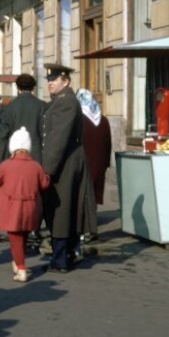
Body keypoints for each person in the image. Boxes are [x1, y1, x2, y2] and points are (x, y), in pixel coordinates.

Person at [0, 127, 50, 283]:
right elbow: (44, 184)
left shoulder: (6, 166)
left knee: (15, 238)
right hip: (31, 208)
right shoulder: (36, 166)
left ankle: (21, 268)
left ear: (13, 147)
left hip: (12, 208)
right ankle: (17, 261)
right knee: (24, 235)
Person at [40, 63, 87, 273]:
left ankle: (60, 259)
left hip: (64, 163)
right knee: (64, 208)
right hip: (65, 161)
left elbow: (57, 139)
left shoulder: (65, 102)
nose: (50, 83)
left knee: (61, 209)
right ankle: (68, 252)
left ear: (65, 81)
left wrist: (47, 170)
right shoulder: (60, 101)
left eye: (54, 79)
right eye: (48, 79)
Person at [76, 88, 112, 244]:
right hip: (99, 163)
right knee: (94, 194)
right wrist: (105, 163)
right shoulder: (103, 120)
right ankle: (92, 223)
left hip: (83, 163)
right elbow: (108, 144)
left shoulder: (79, 120)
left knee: (82, 195)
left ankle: (84, 228)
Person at [0, 74, 47, 166]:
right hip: (37, 158)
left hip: (14, 156)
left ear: (18, 88)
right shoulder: (43, 106)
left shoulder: (9, 108)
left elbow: (2, 137)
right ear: (33, 88)